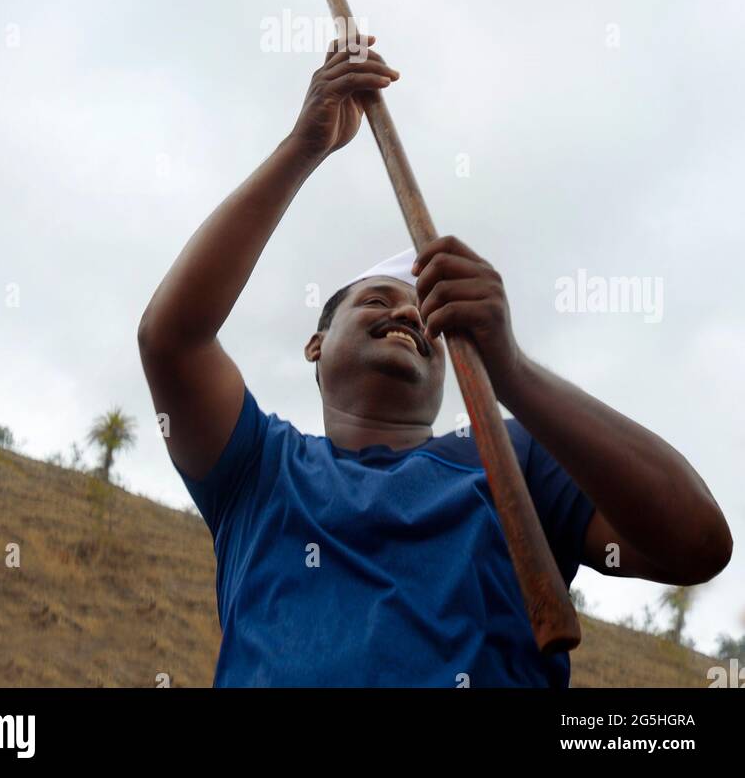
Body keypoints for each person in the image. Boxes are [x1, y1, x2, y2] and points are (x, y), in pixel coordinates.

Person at [138, 37, 732, 688]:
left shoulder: (514, 460)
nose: (408, 316)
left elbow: (696, 544)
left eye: (430, 317)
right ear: (316, 342)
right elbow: (172, 338)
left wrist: (510, 368)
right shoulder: (259, 468)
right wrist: (301, 149)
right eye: (375, 300)